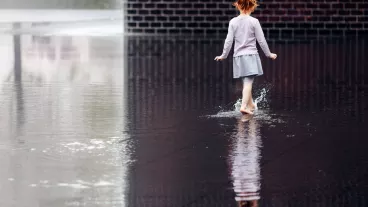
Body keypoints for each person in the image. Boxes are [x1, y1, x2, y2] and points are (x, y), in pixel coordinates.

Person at [214, 0, 277, 115]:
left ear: (237, 5)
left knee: (246, 81)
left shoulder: (233, 22)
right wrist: (269, 54)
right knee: (248, 82)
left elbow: (228, 41)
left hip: (238, 57)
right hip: (251, 55)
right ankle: (244, 106)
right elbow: (261, 40)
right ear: (252, 6)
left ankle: (251, 104)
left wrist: (223, 55)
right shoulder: (254, 21)